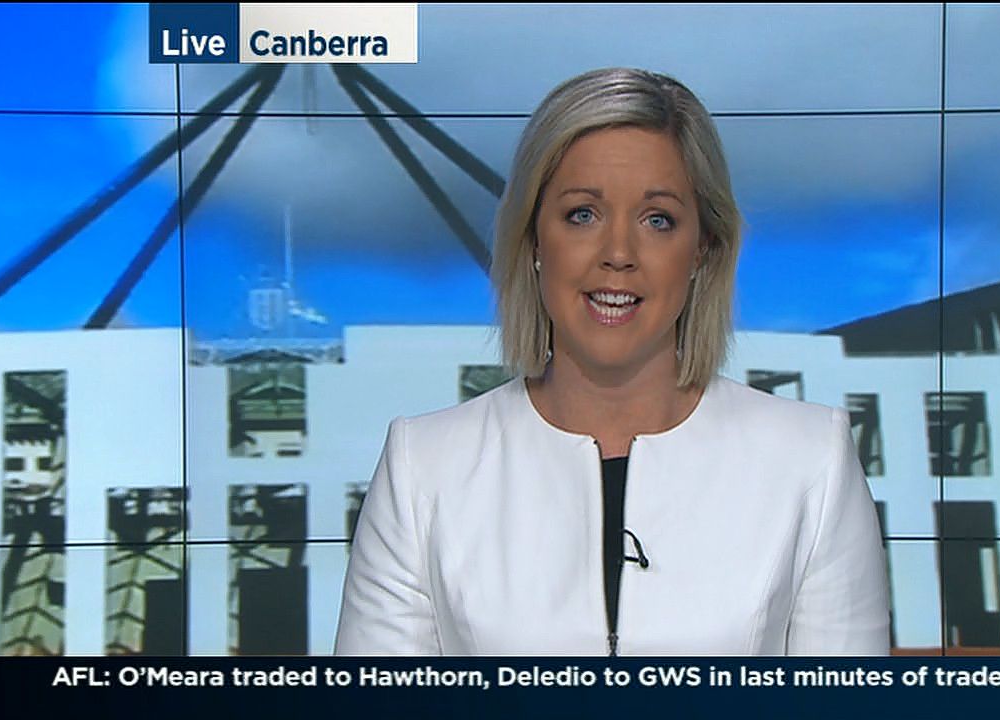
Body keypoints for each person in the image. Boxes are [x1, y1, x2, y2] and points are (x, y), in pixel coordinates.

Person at [335, 67, 890, 656]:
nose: (619, 254)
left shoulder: (812, 463)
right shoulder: (422, 469)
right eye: (583, 214)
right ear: (533, 240)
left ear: (702, 249)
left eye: (657, 220)